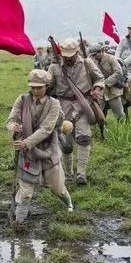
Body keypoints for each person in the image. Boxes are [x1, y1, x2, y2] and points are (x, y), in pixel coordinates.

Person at [7, 69, 74, 221]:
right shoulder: (22, 100)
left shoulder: (54, 104)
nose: (36, 90)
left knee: (57, 188)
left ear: (47, 86)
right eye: (33, 87)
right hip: (27, 154)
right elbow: (11, 118)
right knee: (25, 193)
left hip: (48, 150)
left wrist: (26, 142)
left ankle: (69, 203)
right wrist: (13, 127)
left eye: (40, 87)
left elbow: (47, 129)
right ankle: (19, 222)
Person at [47, 38, 105, 185]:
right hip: (62, 107)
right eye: (65, 56)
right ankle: (67, 174)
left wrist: (97, 89)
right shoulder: (54, 67)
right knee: (66, 144)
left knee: (84, 138)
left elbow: (99, 78)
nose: (68, 58)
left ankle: (81, 174)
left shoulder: (87, 63)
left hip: (83, 105)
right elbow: (48, 87)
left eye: (71, 55)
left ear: (77, 52)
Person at [89, 43, 125, 121]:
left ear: (101, 51)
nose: (94, 57)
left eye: (95, 55)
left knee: (119, 115)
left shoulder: (111, 59)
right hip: (100, 92)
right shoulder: (95, 61)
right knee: (98, 114)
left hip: (113, 91)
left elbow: (118, 72)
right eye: (93, 55)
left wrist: (105, 83)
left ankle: (123, 131)